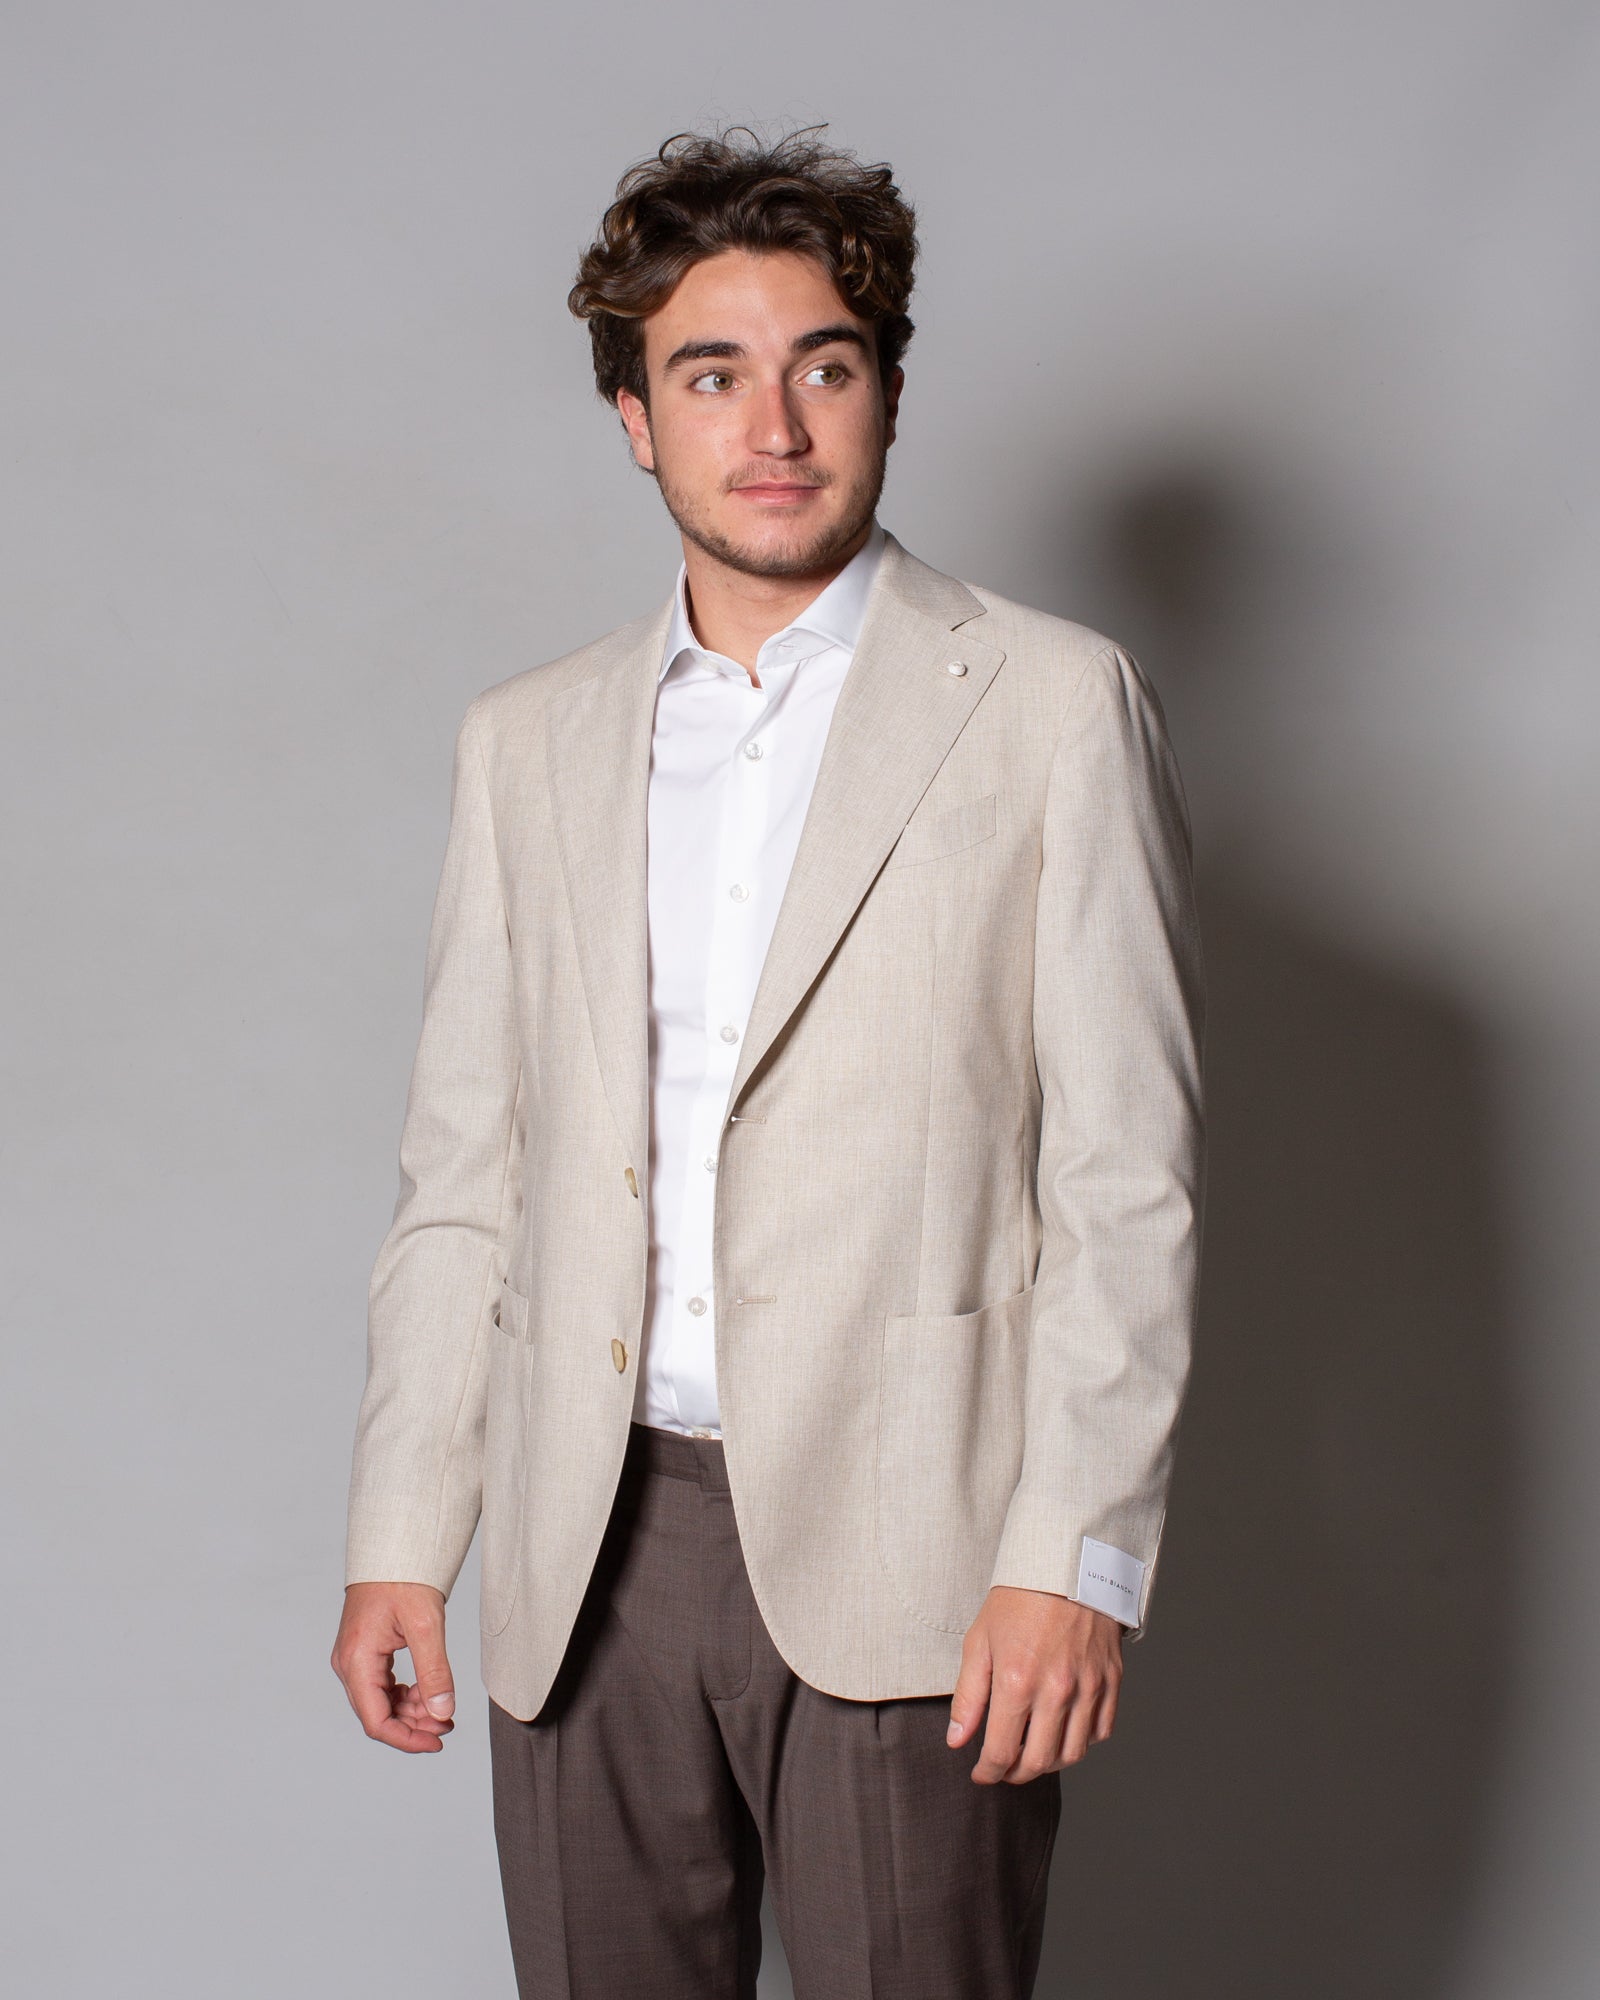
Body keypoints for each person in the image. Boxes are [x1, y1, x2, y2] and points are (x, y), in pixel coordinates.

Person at [331, 124, 1207, 1999]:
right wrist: (405, 1530)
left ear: (887, 389)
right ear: (636, 420)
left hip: (925, 1538)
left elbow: (1126, 1180)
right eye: (712, 375)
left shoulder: (1054, 706)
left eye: (825, 365)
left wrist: (1075, 1557)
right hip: (586, 1548)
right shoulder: (526, 741)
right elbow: (466, 1177)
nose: (777, 426)